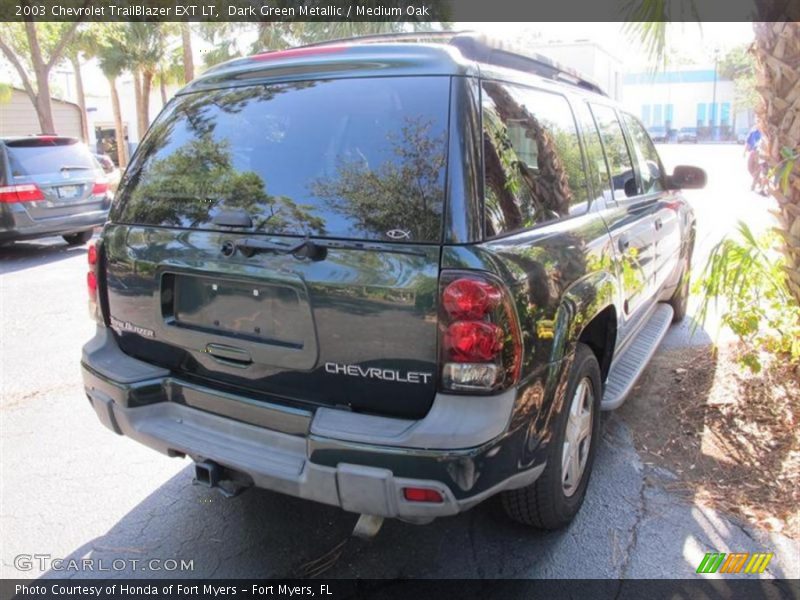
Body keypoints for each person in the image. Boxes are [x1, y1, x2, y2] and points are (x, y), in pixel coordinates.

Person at [744, 126, 765, 193]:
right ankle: (760, 181)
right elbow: (748, 141)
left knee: (758, 169)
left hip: (760, 152)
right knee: (750, 168)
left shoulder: (764, 131)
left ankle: (754, 185)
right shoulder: (753, 130)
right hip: (752, 151)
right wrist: (744, 151)